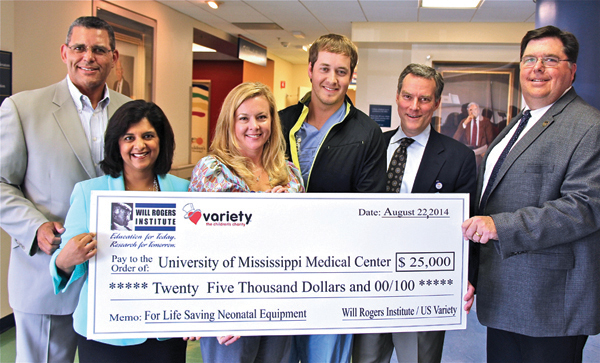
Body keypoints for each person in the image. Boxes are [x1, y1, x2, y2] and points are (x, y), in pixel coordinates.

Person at [461, 25, 600, 363]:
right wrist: (470, 273)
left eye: (550, 59)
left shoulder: (589, 127)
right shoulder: (518, 125)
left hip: (550, 305)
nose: (537, 67)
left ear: (572, 70)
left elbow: (585, 207)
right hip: (506, 296)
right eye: (529, 59)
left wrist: (500, 227)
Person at [0, 16, 130, 362]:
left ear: (113, 58)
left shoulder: (130, 112)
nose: (89, 57)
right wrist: (35, 227)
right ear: (64, 52)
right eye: (80, 48)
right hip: (46, 273)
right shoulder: (23, 109)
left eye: (99, 50)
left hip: (111, 279)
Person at [352, 63, 477, 363]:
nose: (414, 107)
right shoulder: (370, 147)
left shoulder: (459, 158)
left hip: (423, 289)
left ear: (436, 103)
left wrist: (466, 276)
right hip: (369, 282)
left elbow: (468, 224)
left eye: (424, 99)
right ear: (397, 96)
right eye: (408, 96)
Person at [50, 100, 189, 362]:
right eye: (129, 137)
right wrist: (67, 258)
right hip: (106, 333)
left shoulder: (185, 191)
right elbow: (64, 266)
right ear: (117, 143)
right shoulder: (89, 192)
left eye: (148, 136)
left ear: (161, 141)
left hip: (164, 332)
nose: (140, 145)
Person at [278, 34, 387, 363]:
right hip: (277, 264)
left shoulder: (367, 133)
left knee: (324, 356)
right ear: (310, 69)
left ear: (351, 76)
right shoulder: (279, 122)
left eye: (342, 71)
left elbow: (369, 208)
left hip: (332, 269)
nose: (332, 79)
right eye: (325, 68)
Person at [189, 82, 304, 362]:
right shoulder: (212, 169)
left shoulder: (290, 174)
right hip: (228, 305)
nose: (254, 126)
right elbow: (199, 244)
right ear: (231, 122)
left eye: (261, 117)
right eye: (244, 118)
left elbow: (300, 237)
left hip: (278, 301)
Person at [453, 102, 494, 167]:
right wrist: (464, 124)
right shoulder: (464, 121)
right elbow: (456, 139)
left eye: (475, 109)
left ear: (479, 111)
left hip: (481, 152)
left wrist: (487, 152)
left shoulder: (486, 122)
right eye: (470, 110)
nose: (472, 112)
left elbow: (491, 140)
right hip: (467, 151)